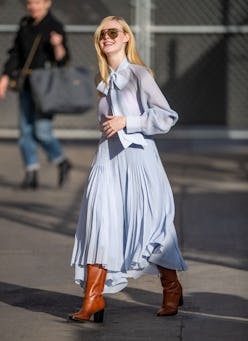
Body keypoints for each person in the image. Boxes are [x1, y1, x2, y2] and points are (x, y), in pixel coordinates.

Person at [69, 16, 187, 323]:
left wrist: (128, 122)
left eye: (112, 32)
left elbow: (166, 116)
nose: (106, 37)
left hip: (139, 162)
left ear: (125, 38)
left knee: (150, 226)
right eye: (101, 34)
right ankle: (92, 298)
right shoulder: (103, 78)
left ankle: (171, 288)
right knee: (99, 222)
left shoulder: (139, 75)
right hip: (108, 162)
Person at [0, 0, 72, 189]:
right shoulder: (24, 24)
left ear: (47, 3)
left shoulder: (54, 26)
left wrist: (58, 45)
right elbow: (15, 53)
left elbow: (63, 60)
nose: (33, 7)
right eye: (30, 3)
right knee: (25, 132)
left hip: (45, 88)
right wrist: (5, 77)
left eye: (37, 3)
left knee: (42, 131)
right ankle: (31, 173)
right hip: (26, 86)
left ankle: (61, 160)